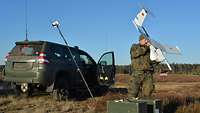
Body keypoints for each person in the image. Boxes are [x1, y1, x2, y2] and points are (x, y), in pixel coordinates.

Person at [129, 34, 156, 99]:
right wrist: (146, 47)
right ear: (140, 40)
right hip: (137, 73)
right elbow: (134, 54)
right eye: (145, 40)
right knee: (133, 93)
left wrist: (157, 59)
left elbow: (152, 61)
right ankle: (131, 108)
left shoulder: (150, 49)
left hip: (148, 74)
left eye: (147, 40)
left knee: (148, 93)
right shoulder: (134, 46)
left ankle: (145, 108)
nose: (147, 41)